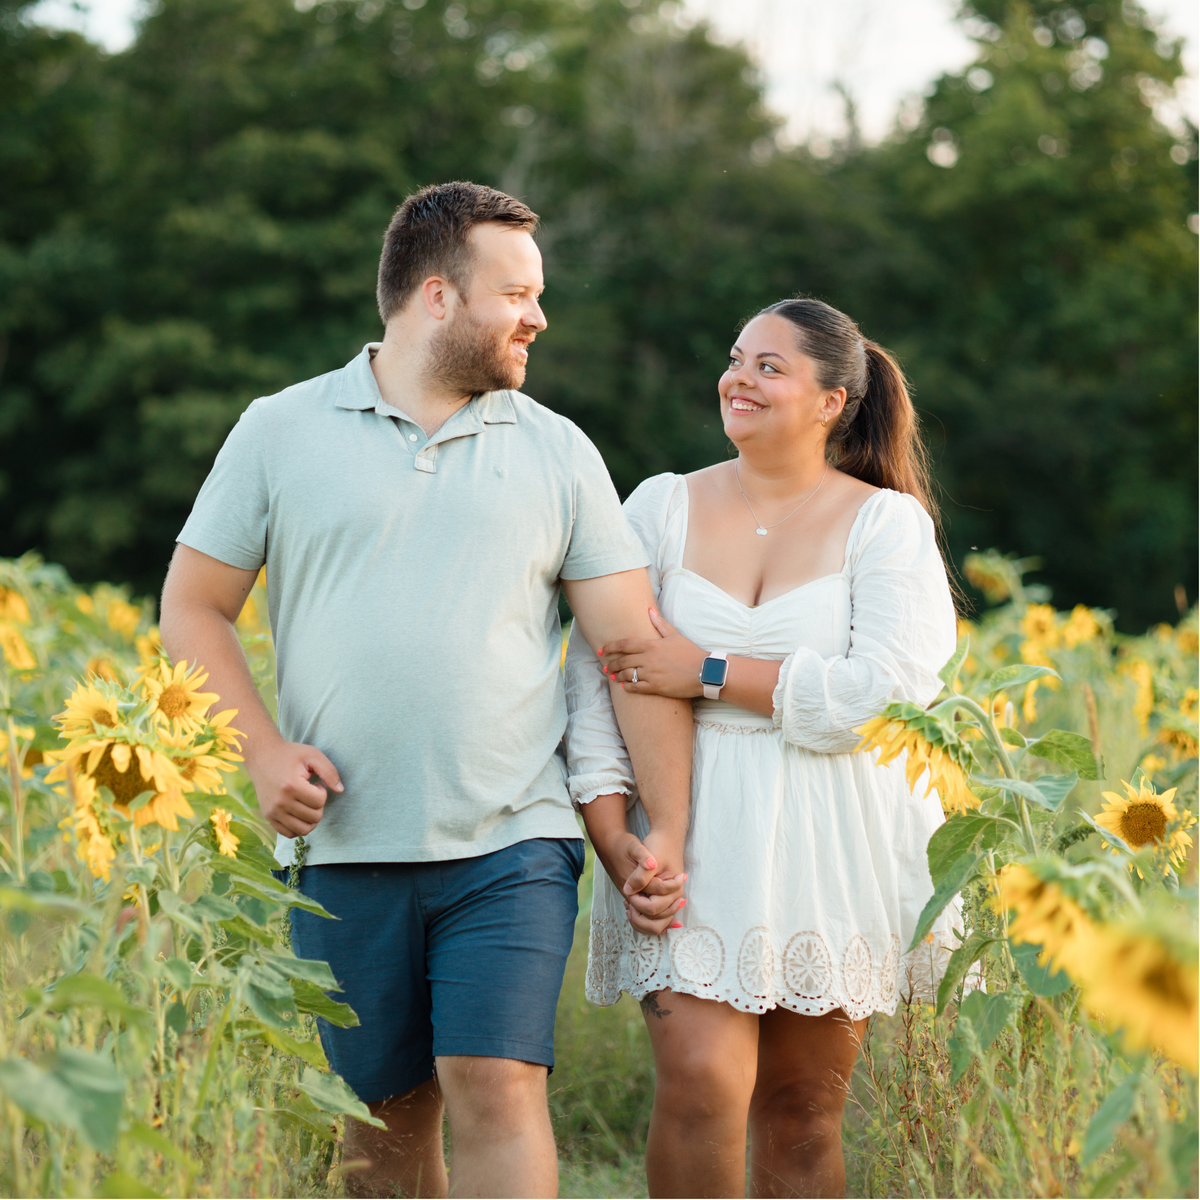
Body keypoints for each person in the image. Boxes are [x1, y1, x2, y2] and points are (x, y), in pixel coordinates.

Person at [159, 181, 692, 1200]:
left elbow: (634, 649)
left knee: (494, 1081)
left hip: (512, 838)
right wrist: (263, 755)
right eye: (519, 292)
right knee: (382, 1125)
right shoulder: (278, 430)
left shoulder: (557, 448)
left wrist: (656, 827)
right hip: (343, 843)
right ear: (439, 298)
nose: (540, 315)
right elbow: (193, 607)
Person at [564, 297, 962, 1198]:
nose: (737, 379)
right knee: (701, 1084)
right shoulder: (659, 507)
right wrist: (615, 832)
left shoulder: (884, 526)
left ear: (833, 400)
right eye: (736, 358)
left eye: (768, 367)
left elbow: (884, 697)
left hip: (834, 834)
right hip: (690, 828)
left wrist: (703, 668)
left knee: (801, 1111)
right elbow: (596, 677)